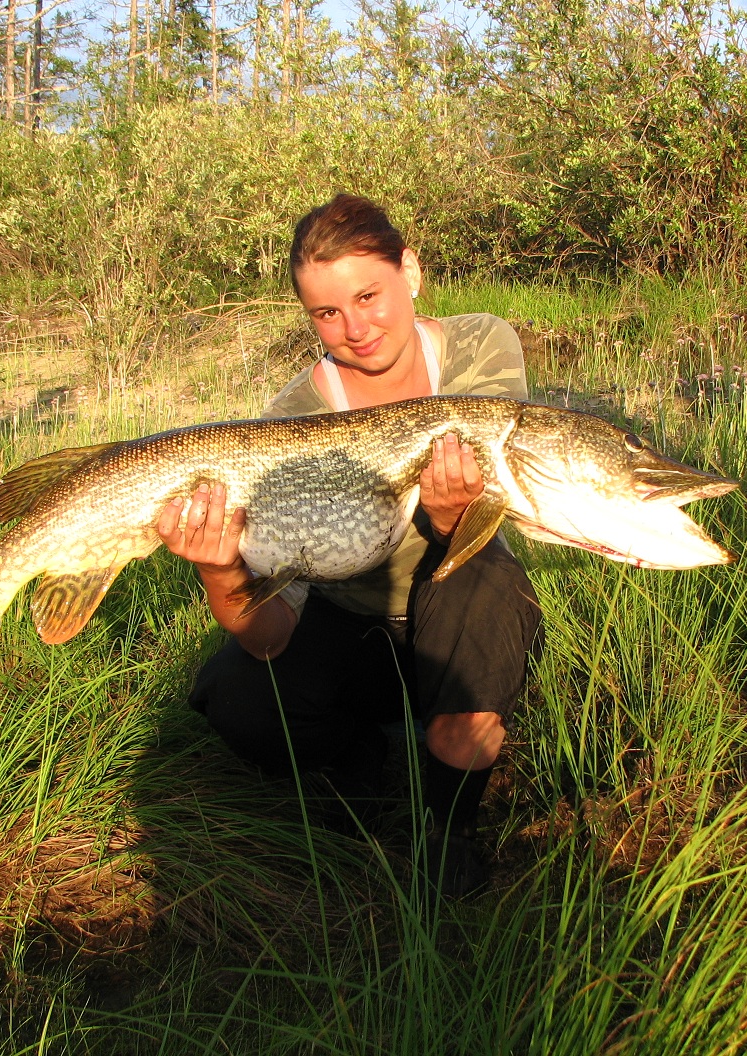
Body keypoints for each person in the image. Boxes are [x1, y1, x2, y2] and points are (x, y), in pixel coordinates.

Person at [154, 194, 542, 897]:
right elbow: (269, 637)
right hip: (348, 625)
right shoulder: (294, 418)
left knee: (484, 582)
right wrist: (219, 569)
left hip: (451, 605)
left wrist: (451, 515)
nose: (355, 328)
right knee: (240, 700)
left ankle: (446, 826)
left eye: (369, 296)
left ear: (411, 272)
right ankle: (361, 760)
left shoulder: (482, 344)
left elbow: (494, 502)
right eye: (327, 313)